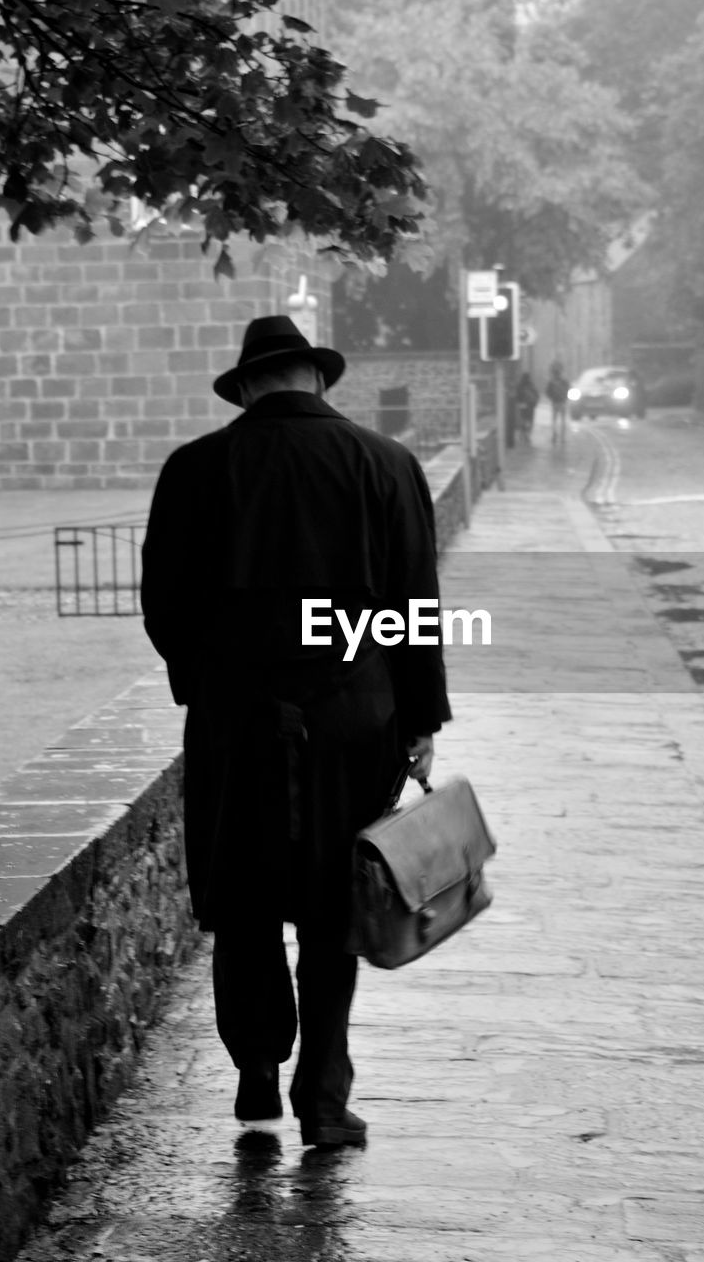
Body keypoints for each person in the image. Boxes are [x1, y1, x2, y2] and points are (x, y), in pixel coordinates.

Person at [140, 316, 451, 1149]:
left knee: (244, 900)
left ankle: (254, 1074)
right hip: (353, 718)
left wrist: (206, 683)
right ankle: (323, 1096)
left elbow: (163, 607)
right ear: (317, 380)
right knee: (329, 908)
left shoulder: (195, 470)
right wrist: (419, 717)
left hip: (237, 719)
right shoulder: (385, 465)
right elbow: (413, 606)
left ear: (246, 388)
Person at [545, 359, 570, 445]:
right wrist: (565, 398)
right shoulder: (564, 381)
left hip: (555, 403)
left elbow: (547, 392)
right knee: (563, 421)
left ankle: (554, 435)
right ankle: (563, 437)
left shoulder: (551, 382)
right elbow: (568, 390)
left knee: (554, 420)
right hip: (562, 402)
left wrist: (552, 398)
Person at [511, 371, 539, 442]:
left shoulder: (519, 385)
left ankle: (523, 432)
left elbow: (516, 395)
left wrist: (518, 402)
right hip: (530, 405)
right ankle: (527, 433)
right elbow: (536, 395)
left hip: (522, 404)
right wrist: (535, 403)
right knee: (529, 419)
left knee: (523, 418)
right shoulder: (531, 385)